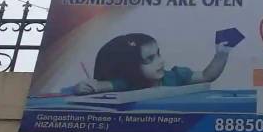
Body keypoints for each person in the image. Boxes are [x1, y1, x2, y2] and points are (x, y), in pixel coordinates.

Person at [72, 33, 232, 95]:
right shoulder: (128, 83)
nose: (160, 61)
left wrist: (221, 54)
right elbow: (99, 86)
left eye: (158, 54)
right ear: (131, 68)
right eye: (150, 59)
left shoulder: (174, 76)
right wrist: (82, 87)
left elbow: (206, 76)